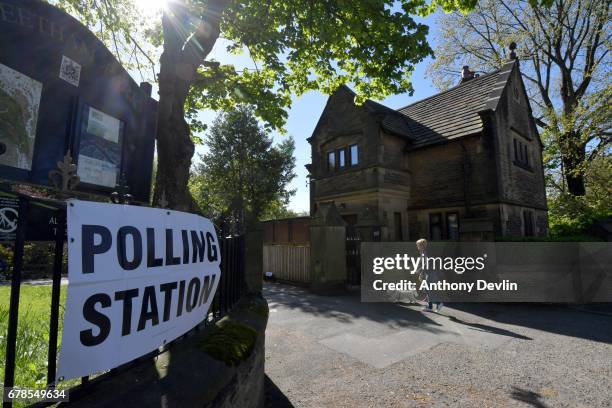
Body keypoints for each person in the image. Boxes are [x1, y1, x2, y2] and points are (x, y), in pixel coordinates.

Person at [416, 238, 443, 312]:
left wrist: (421, 271)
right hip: (429, 273)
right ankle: (430, 306)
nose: (417, 246)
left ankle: (439, 303)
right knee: (427, 289)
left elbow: (427, 263)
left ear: (421, 245)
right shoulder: (423, 252)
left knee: (428, 290)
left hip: (432, 273)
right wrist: (419, 270)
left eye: (418, 245)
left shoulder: (426, 252)